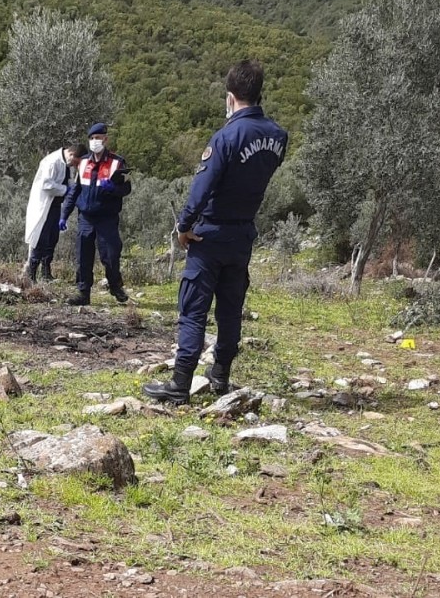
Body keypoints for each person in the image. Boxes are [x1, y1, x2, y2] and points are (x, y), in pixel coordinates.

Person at [144, 60, 289, 405]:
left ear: (230, 97)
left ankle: (180, 383)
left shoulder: (227, 137)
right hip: (243, 234)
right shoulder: (278, 136)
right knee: (230, 308)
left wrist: (184, 226)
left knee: (193, 308)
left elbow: (202, 187)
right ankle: (220, 375)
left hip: (210, 234)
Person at [59, 123, 132, 306]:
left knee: (111, 255)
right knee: (83, 256)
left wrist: (113, 188)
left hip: (107, 218)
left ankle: (115, 286)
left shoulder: (117, 163)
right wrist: (64, 215)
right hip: (86, 217)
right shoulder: (83, 162)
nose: (94, 141)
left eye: (98, 138)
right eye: (91, 138)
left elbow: (126, 189)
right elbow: (75, 190)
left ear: (105, 139)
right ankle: (83, 293)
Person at [24, 144, 84, 282]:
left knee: (52, 238)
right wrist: (66, 190)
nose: (75, 166)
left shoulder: (66, 164)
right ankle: (31, 275)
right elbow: (46, 185)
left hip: (56, 206)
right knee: (41, 239)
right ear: (71, 155)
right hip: (44, 205)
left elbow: (68, 181)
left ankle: (46, 273)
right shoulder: (52, 162)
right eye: (75, 162)